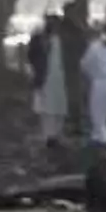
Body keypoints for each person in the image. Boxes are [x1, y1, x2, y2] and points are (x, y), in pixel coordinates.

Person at [27, 14, 65, 146]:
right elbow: (31, 56)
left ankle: (57, 135)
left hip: (61, 78)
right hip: (45, 77)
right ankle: (49, 136)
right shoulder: (39, 39)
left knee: (60, 107)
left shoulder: (63, 39)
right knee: (46, 109)